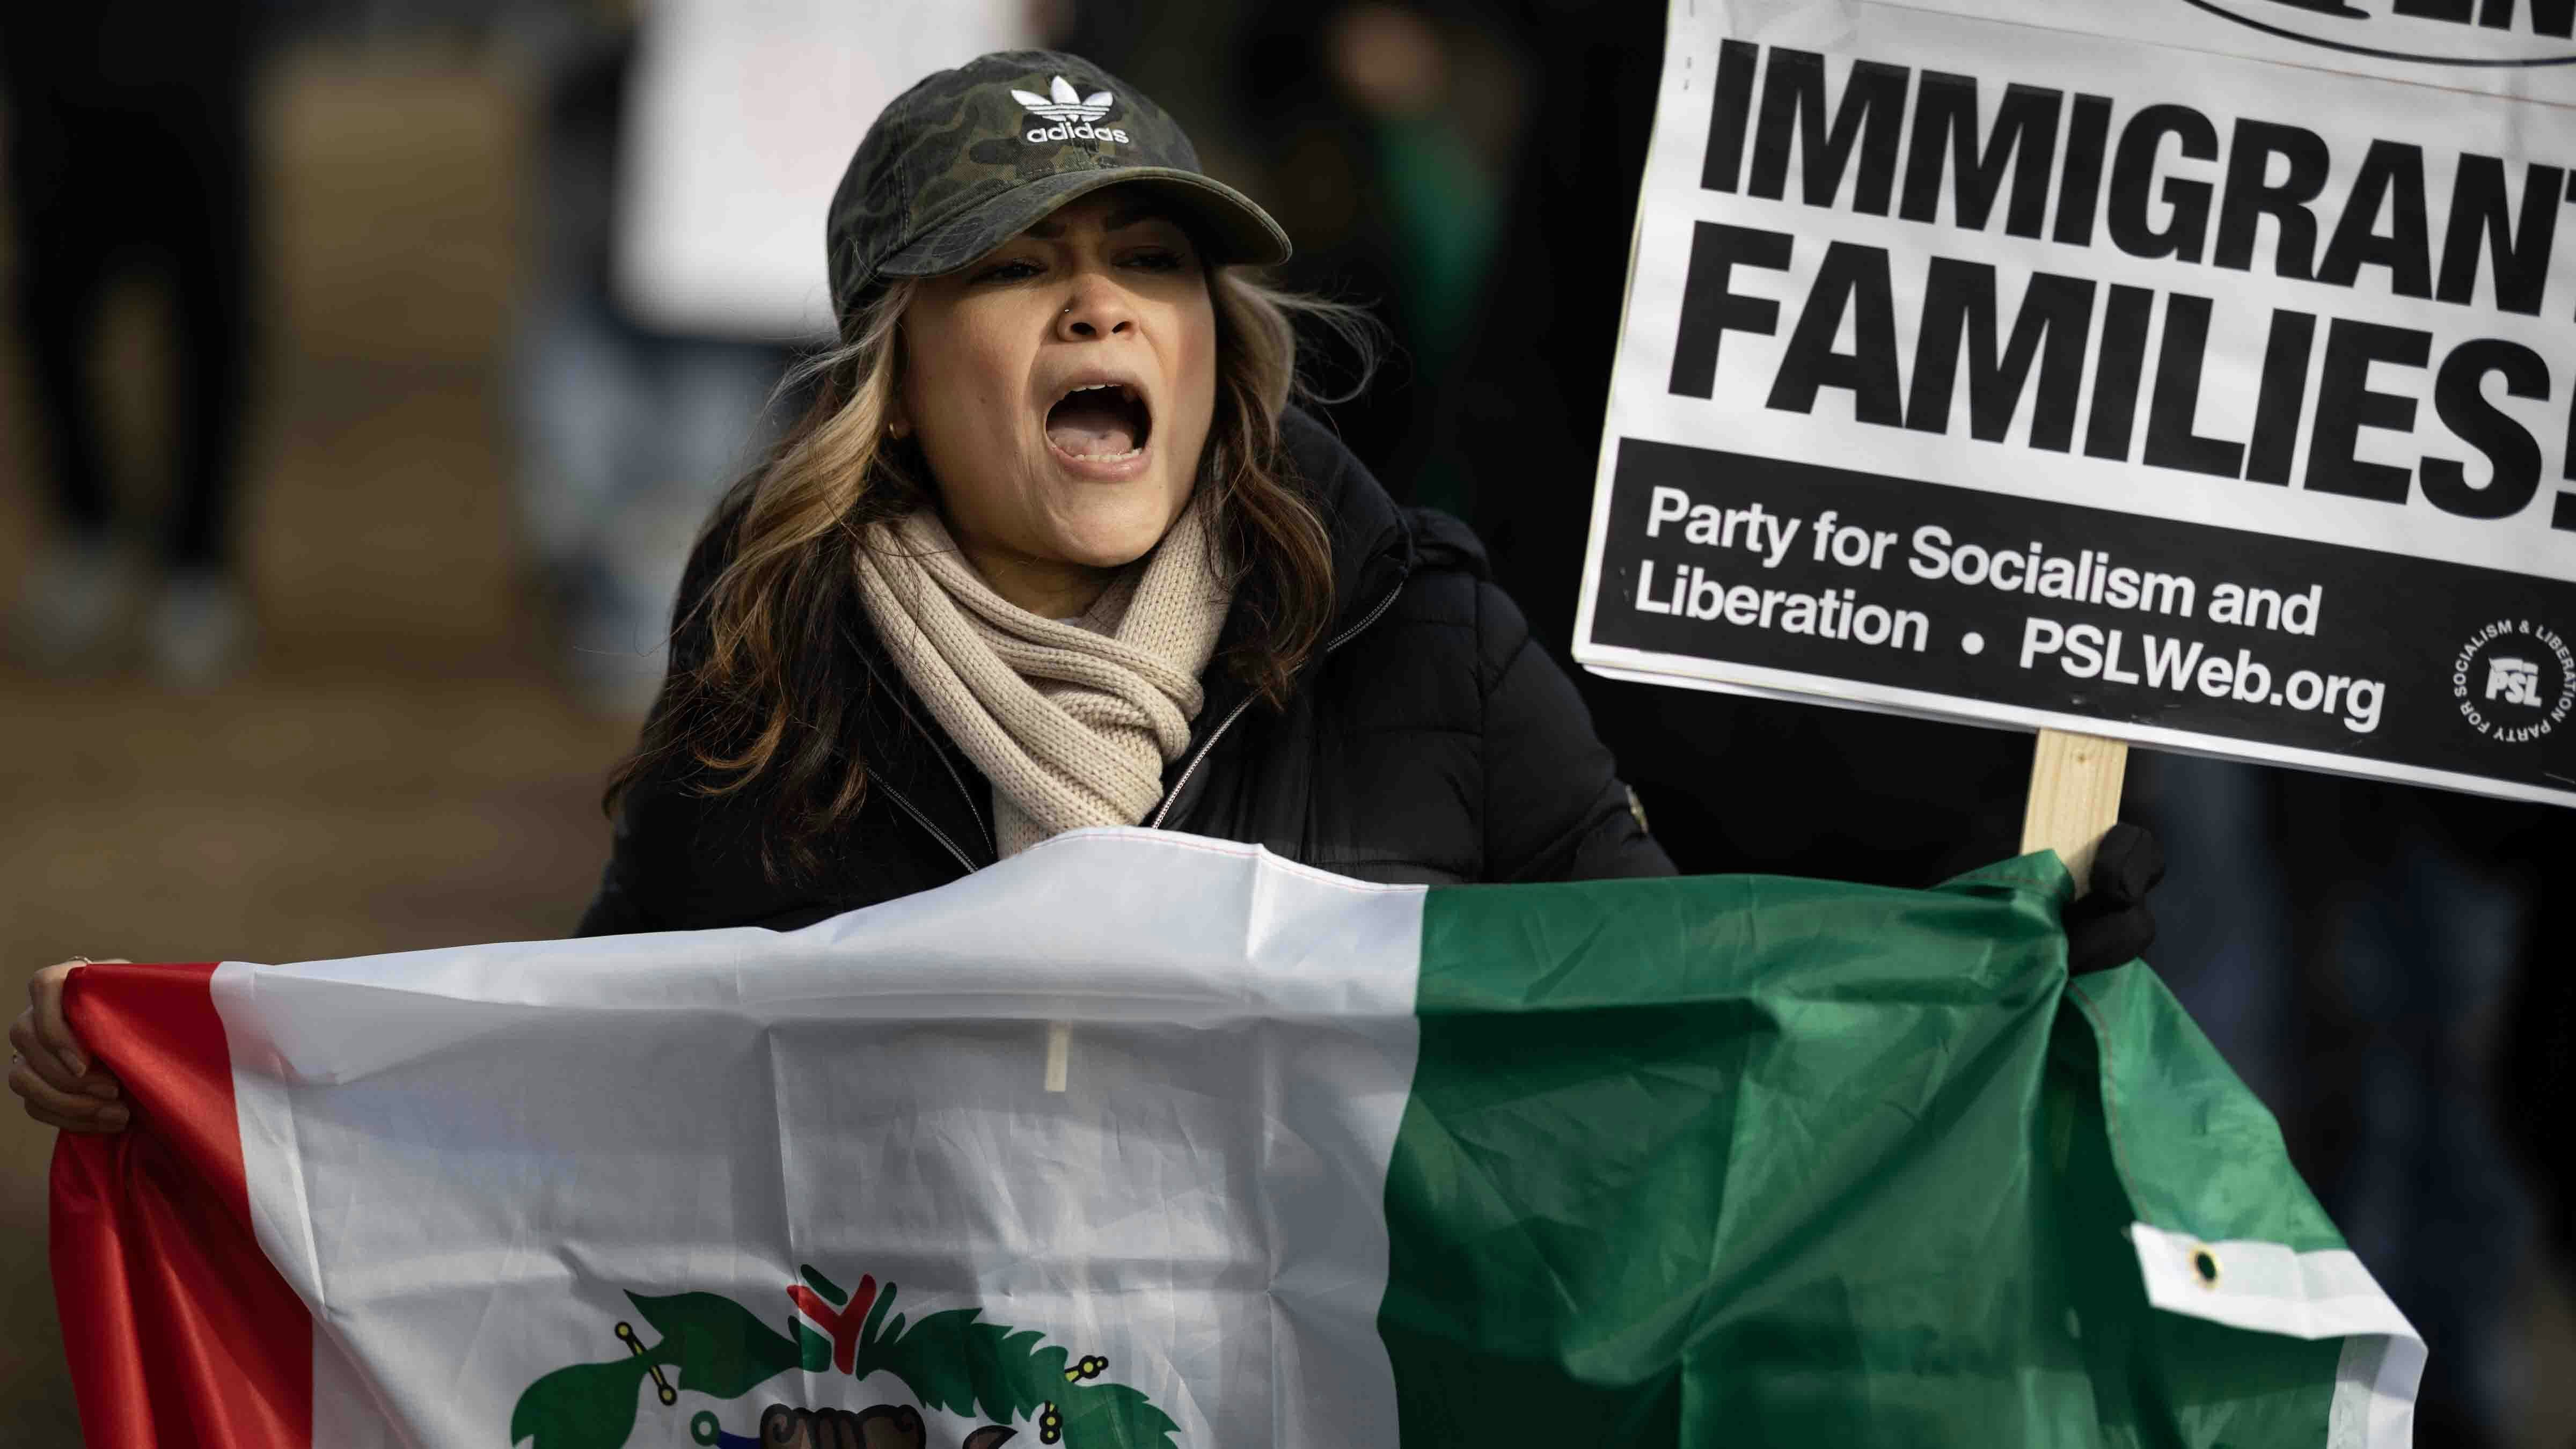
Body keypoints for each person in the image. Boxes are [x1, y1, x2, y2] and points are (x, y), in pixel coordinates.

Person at [11, 49, 1671, 1132]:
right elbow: (591, 1076)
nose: (1100, 307)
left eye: (1153, 262)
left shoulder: (1420, 634)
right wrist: (197, 1085)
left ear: (1213, 335)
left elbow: (1674, 1012)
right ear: (896, 367)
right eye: (1019, 264)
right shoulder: (770, 676)